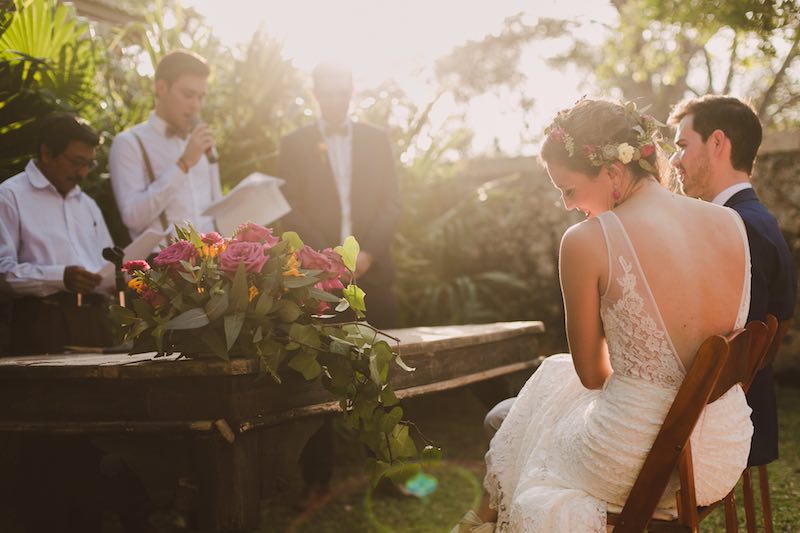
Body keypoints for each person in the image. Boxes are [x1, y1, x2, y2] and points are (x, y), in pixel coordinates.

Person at [452, 99, 754, 533]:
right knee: (552, 381)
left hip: (637, 456)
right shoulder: (731, 223)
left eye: (569, 190)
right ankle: (478, 519)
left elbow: (593, 374)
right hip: (719, 450)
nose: (567, 206)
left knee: (538, 439)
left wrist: (637, 370)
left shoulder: (586, 241)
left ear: (613, 173)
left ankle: (478, 520)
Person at [668, 95, 797, 468]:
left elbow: (727, 346)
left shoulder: (736, 229)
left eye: (682, 146)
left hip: (723, 423)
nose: (675, 160)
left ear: (718, 143)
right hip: (743, 411)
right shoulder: (755, 220)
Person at [278, 60, 400, 330]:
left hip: (374, 278)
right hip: (316, 281)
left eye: (341, 93)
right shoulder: (293, 145)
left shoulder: (377, 141)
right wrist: (328, 259)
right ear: (316, 94)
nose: (335, 100)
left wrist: (366, 255)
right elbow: (290, 208)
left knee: (385, 363)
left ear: (351, 91)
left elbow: (391, 204)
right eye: (328, 94)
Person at [0, 112, 114, 355]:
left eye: (89, 164)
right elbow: (3, 274)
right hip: (41, 324)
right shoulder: (10, 196)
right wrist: (60, 277)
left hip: (96, 322)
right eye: (76, 161)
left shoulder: (87, 205)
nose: (83, 173)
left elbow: (106, 264)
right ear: (47, 152)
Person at [109, 49, 222, 241]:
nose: (196, 106)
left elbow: (216, 209)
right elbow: (133, 217)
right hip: (160, 268)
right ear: (161, 88)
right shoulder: (129, 143)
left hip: (210, 265)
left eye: (200, 97)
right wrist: (183, 165)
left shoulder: (202, 141)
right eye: (188, 95)